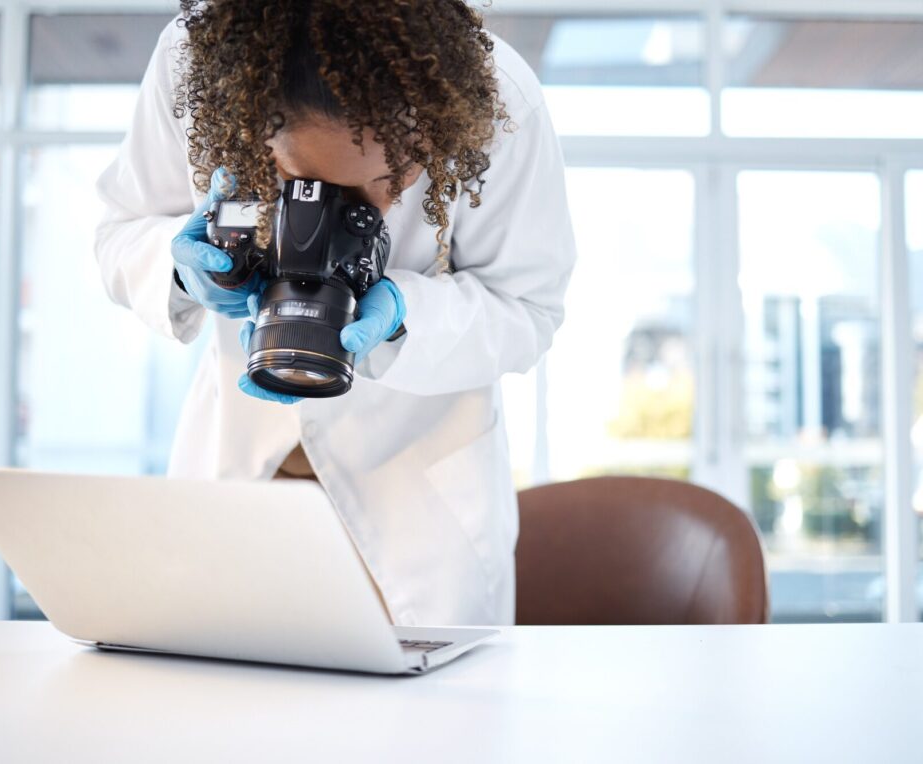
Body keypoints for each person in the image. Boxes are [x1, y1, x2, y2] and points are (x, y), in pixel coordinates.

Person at [94, 0, 576, 626]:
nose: (357, 209)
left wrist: (407, 315)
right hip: (240, 473)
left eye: (391, 177)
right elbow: (120, 230)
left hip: (412, 504)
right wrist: (183, 272)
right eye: (309, 183)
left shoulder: (498, 98)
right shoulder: (199, 63)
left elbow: (528, 306)